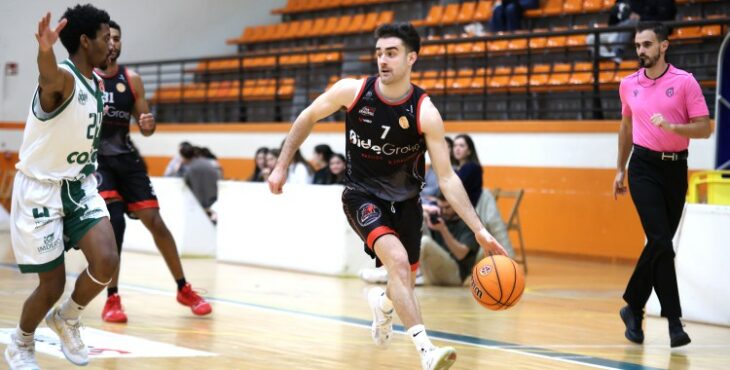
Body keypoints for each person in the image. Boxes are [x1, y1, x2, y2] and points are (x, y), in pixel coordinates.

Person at [267, 22, 507, 370]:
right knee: (395, 260)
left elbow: (447, 178)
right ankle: (427, 351)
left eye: (391, 53)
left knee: (403, 279)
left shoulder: (425, 112)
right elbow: (307, 117)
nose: (383, 60)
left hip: (406, 203)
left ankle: (382, 303)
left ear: (412, 58)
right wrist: (281, 165)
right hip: (361, 196)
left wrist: (478, 228)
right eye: (379, 53)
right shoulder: (353, 92)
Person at [5, 6, 119, 369]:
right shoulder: (64, 78)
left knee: (106, 261)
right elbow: (48, 77)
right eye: (105, 38)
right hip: (40, 189)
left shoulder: (97, 82)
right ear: (85, 42)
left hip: (79, 184)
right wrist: (44, 50)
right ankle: (20, 342)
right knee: (50, 285)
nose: (111, 45)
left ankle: (67, 317)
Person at [94, 20, 211, 324]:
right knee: (115, 222)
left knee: (155, 221)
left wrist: (149, 124)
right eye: (107, 38)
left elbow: (146, 123)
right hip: (97, 161)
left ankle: (183, 288)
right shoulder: (85, 78)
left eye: (117, 38)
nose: (112, 44)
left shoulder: (132, 79)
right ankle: (113, 298)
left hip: (127, 158)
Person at [613, 21, 711, 348]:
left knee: (659, 244)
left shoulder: (685, 83)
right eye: (638, 45)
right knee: (661, 242)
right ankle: (674, 323)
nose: (640, 51)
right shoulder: (629, 84)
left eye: (647, 44)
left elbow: (704, 129)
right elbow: (626, 127)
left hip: (675, 170)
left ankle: (633, 307)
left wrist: (673, 127)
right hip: (642, 167)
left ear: (663, 45)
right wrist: (618, 169)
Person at [421, 193, 481, 286]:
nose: (444, 211)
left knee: (425, 242)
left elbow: (461, 254)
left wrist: (443, 229)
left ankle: (407, 278)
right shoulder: (438, 214)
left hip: (457, 275)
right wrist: (426, 209)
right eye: (441, 207)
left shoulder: (469, 219)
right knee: (414, 219)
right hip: (433, 274)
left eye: (447, 207)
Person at [181, 145, 221, 220]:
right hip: (212, 200)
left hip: (204, 204)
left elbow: (196, 188)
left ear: (184, 157)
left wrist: (199, 207)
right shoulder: (203, 162)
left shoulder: (193, 168)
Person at [453, 134, 482, 207]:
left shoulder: (471, 167)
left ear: (469, 151)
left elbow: (455, 187)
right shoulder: (456, 168)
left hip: (466, 210)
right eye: (455, 145)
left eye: (461, 146)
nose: (457, 148)